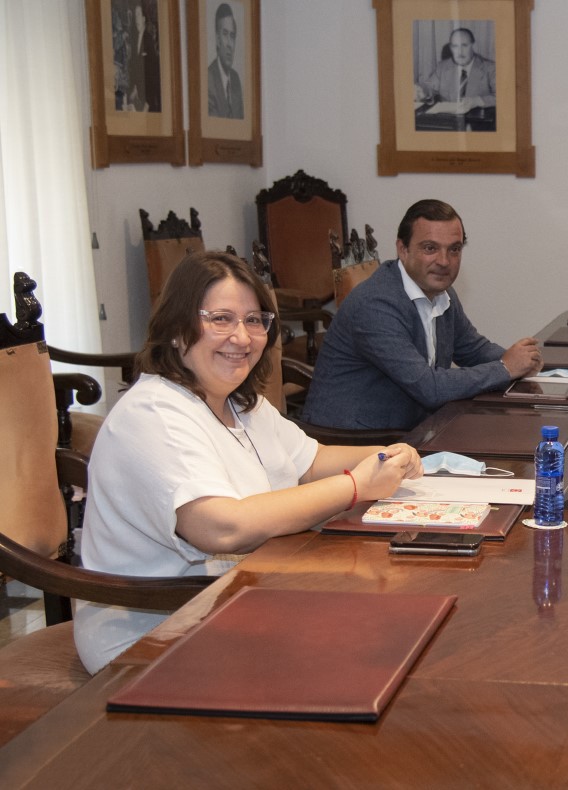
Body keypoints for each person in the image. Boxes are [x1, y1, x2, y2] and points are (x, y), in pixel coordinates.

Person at [74, 251, 422, 674]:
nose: (241, 337)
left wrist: (390, 454)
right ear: (177, 330)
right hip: (154, 628)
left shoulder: (240, 402)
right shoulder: (154, 413)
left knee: (390, 630)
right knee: (360, 653)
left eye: (254, 320)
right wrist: (355, 486)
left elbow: (311, 462)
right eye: (220, 318)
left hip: (236, 598)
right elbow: (223, 526)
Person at [301, 199, 542, 431]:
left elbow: (472, 349)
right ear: (402, 250)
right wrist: (505, 368)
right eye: (430, 248)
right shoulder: (376, 304)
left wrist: (520, 360)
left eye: (454, 250)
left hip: (409, 429)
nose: (444, 261)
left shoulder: (442, 291)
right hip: (352, 440)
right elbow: (429, 388)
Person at [415, 27, 496, 113]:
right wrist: (422, 89)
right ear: (451, 48)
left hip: (479, 123)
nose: (460, 52)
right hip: (449, 122)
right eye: (455, 46)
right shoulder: (442, 67)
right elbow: (430, 84)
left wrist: (477, 101)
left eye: (464, 45)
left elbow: (503, 96)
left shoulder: (490, 68)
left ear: (473, 46)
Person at [207, 2, 244, 119]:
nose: (229, 44)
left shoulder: (236, 79)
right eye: (225, 34)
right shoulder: (208, 78)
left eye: (232, 36)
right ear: (217, 39)